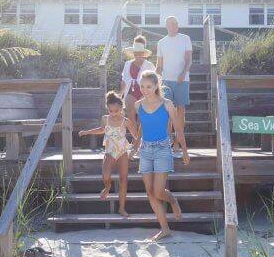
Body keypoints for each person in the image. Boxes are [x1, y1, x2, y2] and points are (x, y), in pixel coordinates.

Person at [133, 70, 189, 241]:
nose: (145, 89)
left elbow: (178, 128)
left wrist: (184, 151)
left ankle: (172, 200)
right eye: (142, 86)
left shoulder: (167, 104)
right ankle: (165, 229)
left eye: (148, 86)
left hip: (162, 149)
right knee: (150, 192)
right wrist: (134, 147)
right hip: (145, 150)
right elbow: (142, 127)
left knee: (158, 191)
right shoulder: (138, 105)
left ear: (156, 85)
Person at [79, 91, 139, 218]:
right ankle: (107, 186)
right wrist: (87, 132)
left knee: (124, 180)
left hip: (122, 151)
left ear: (121, 109)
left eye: (116, 111)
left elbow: (136, 136)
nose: (113, 113)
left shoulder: (126, 121)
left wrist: (138, 146)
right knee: (106, 174)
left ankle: (122, 208)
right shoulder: (105, 119)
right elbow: (101, 130)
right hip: (110, 151)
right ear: (108, 109)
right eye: (111, 111)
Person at [155, 16, 193, 158]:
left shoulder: (185, 38)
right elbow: (159, 65)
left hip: (182, 80)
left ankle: (177, 142)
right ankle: (166, 142)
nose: (175, 25)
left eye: (176, 23)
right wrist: (153, 80)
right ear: (167, 25)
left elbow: (189, 60)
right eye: (172, 23)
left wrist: (184, 73)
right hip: (166, 81)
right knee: (167, 113)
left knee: (180, 111)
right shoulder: (161, 42)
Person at [120, 36, 155, 128]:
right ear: (133, 53)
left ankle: (141, 141)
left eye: (140, 53)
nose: (138, 55)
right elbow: (124, 81)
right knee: (131, 120)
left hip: (145, 93)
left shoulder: (149, 65)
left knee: (142, 120)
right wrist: (119, 94)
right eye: (136, 53)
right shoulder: (127, 64)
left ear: (143, 53)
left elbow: (155, 82)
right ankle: (134, 141)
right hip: (130, 93)